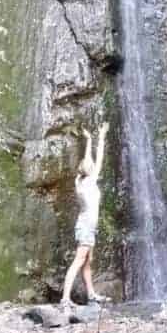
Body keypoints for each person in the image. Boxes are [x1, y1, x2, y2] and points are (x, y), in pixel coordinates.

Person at [60, 122, 111, 308]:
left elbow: (88, 159)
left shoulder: (80, 181)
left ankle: (91, 294)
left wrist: (89, 139)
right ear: (88, 170)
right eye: (90, 166)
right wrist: (102, 136)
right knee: (79, 260)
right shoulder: (90, 181)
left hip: (87, 225)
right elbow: (100, 157)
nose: (92, 165)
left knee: (88, 261)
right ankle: (65, 298)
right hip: (86, 227)